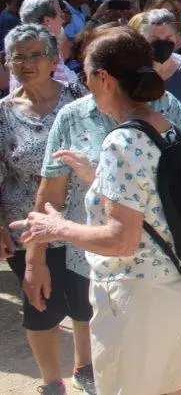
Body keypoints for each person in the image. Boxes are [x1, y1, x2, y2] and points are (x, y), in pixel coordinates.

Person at [11, 27, 181, 395]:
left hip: (136, 299)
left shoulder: (121, 141)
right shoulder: (161, 124)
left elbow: (121, 239)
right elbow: (159, 195)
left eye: (86, 75)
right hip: (177, 286)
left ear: (103, 78)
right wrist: (97, 179)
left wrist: (56, 228)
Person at [0, 25, 93, 395]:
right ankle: (52, 382)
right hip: (29, 231)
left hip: (82, 225)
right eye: (17, 56)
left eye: (35, 54)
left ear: (54, 60)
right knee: (40, 305)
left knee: (85, 302)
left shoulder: (79, 98)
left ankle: (85, 367)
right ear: (7, 63)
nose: (25, 63)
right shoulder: (3, 114)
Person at [13, 0, 77, 88]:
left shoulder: (26, 46)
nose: (62, 20)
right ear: (47, 20)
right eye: (60, 14)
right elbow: (59, 92)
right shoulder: (42, 51)